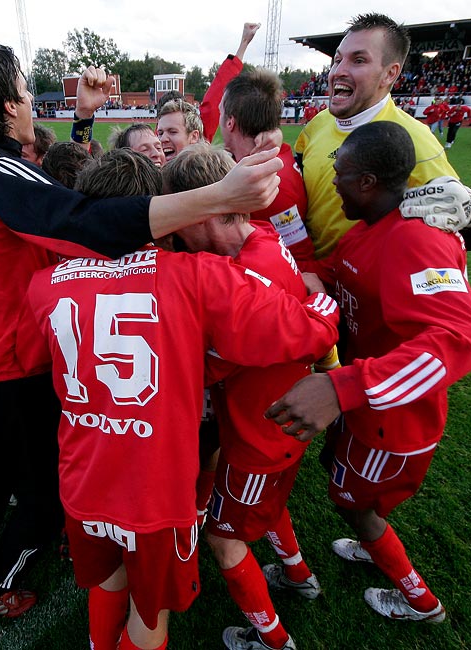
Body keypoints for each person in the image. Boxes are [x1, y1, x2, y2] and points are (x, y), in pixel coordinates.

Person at [0, 44, 283, 650]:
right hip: (12, 369)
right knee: (40, 499)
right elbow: (80, 216)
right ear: (9, 105)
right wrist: (217, 197)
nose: (32, 102)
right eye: (27, 93)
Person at [14, 147, 340, 650]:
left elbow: (31, 357)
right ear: (160, 213)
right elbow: (297, 330)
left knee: (108, 581)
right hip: (156, 495)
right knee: (152, 616)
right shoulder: (195, 276)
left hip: (83, 480)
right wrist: (320, 305)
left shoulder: (43, 284)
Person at [266, 120, 471, 624]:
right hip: (371, 412)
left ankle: (421, 602)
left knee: (352, 506)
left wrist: (341, 385)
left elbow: (464, 338)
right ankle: (374, 539)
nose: (332, 183)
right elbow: (338, 274)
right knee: (345, 486)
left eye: (339, 173)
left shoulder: (416, 241)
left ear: (366, 182)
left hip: (395, 422)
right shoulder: (370, 229)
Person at [163, 143, 324, 650]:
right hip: (281, 428)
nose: (170, 229)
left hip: (259, 438)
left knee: (223, 537)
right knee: (272, 505)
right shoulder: (266, 236)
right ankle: (298, 575)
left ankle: (274, 640)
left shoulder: (237, 286)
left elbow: (197, 366)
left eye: (178, 213)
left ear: (205, 210)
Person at [294, 13, 471, 260]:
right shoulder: (317, 124)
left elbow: (464, 227)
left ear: (390, 74)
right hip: (307, 279)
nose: (338, 71)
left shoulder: (413, 139)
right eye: (337, 60)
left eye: (358, 61)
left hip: (363, 288)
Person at [217, 68, 315, 266]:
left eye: (221, 112)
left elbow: (298, 260)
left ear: (230, 122)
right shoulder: (272, 156)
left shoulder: (274, 181)